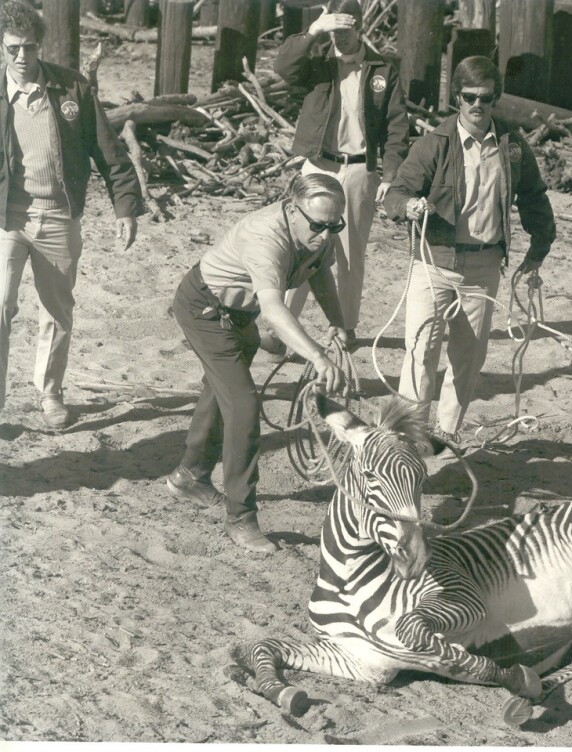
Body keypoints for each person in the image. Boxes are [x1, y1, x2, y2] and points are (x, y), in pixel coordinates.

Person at [167, 173, 349, 553]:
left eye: (336, 226)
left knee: (221, 394)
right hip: (205, 308)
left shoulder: (319, 231)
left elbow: (321, 275)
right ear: (291, 207)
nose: (327, 235)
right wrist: (316, 354)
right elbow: (273, 308)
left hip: (237, 316)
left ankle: (191, 476)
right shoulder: (266, 235)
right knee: (244, 406)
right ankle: (241, 517)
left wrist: (337, 322)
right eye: (318, 225)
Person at [384, 56, 556, 446]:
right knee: (420, 352)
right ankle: (408, 438)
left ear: (496, 99)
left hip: (484, 266)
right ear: (455, 99)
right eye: (469, 98)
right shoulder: (434, 144)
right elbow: (396, 192)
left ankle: (445, 434)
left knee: (468, 358)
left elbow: (534, 197)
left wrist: (538, 251)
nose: (478, 106)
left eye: (486, 98)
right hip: (434, 263)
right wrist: (408, 207)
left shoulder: (512, 147)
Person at [0, 0, 142, 430]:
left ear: (40, 44)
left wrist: (126, 207)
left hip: (59, 217)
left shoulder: (72, 90)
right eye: (12, 49)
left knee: (57, 310)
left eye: (29, 47)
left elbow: (109, 152)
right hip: (7, 220)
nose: (22, 56)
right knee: (0, 307)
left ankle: (50, 394)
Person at [273, 0, 409, 350]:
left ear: (361, 29)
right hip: (319, 164)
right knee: (302, 247)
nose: (341, 40)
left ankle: (346, 329)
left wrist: (391, 174)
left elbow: (397, 127)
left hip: (360, 169)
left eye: (346, 32)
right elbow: (283, 64)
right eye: (335, 33)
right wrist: (315, 29)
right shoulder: (317, 61)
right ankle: (282, 331)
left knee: (350, 254)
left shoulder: (382, 70)